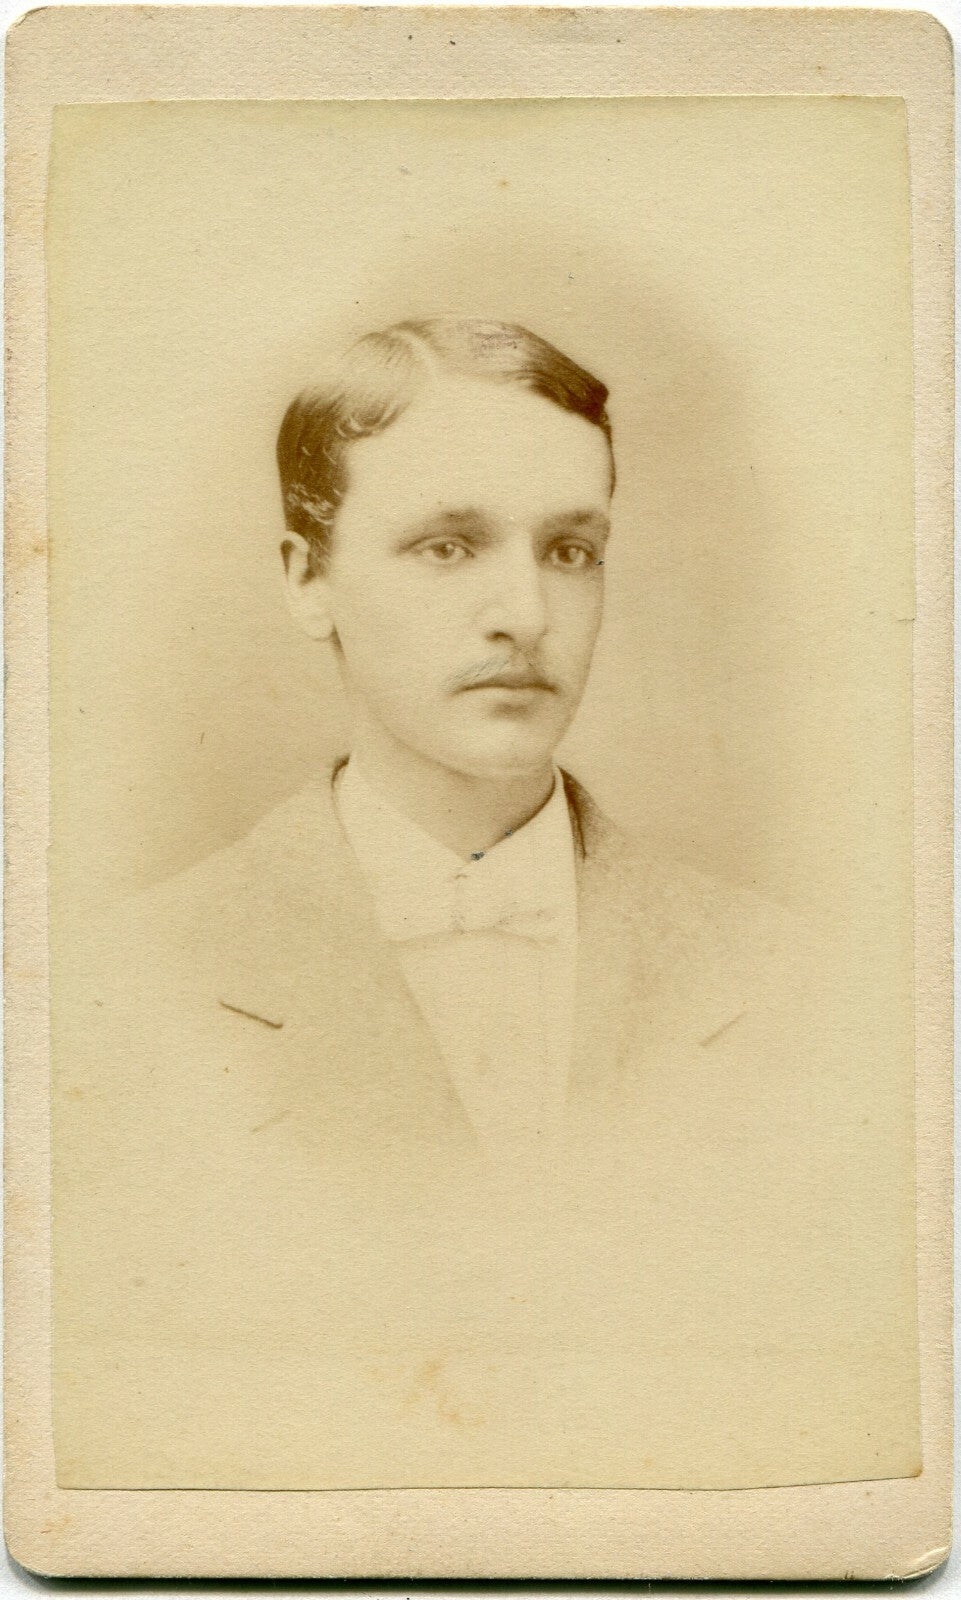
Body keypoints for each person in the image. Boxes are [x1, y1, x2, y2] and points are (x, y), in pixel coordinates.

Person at [52, 318, 919, 1492]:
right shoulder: (110, 994)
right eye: (448, 546)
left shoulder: (801, 986)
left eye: (569, 550)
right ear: (308, 580)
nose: (525, 612)